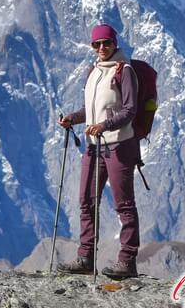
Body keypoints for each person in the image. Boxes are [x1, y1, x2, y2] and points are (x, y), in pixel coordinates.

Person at [57, 23, 141, 279]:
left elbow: (130, 111)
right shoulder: (94, 71)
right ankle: (86, 257)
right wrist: (73, 118)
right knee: (86, 200)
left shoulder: (124, 71)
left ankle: (127, 260)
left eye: (106, 43)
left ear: (115, 43)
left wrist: (104, 125)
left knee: (124, 204)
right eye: (97, 44)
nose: (102, 48)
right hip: (95, 147)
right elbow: (92, 111)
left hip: (119, 145)